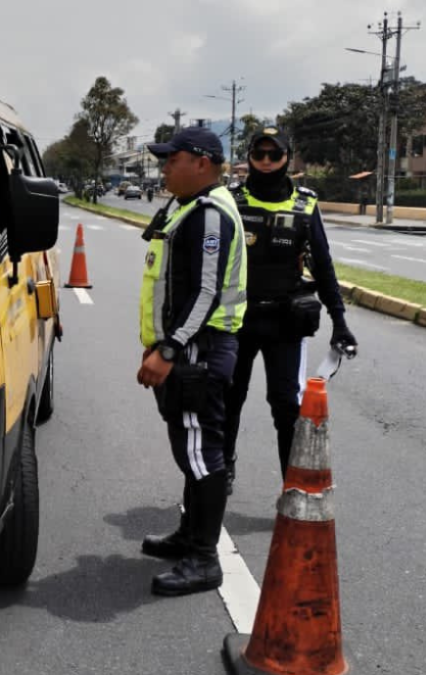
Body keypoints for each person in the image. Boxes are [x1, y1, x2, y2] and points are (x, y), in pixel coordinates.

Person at [136, 127, 248, 597]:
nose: (164, 168)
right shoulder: (188, 208)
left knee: (203, 454)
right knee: (191, 449)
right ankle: (189, 536)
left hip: (196, 352)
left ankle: (205, 559)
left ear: (201, 162)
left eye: (171, 159)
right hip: (189, 349)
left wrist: (168, 349)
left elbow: (205, 293)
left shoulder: (207, 214)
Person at [222, 128, 357, 493]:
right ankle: (223, 471)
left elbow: (324, 267)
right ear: (249, 156)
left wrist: (339, 321)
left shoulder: (306, 205)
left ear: (287, 157)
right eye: (259, 154)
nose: (266, 162)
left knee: (286, 406)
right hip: (236, 320)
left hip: (284, 322)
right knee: (228, 398)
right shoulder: (230, 200)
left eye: (274, 154)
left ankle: (292, 483)